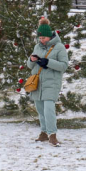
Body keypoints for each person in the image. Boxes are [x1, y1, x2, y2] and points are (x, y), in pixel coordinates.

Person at [26, 17, 69, 147]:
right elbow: (29, 66)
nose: (41, 40)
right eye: (40, 38)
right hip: (37, 82)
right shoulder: (37, 47)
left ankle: (52, 135)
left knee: (49, 109)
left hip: (52, 82)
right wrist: (32, 60)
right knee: (40, 109)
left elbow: (63, 66)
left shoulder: (59, 47)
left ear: (49, 36)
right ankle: (43, 132)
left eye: (43, 38)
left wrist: (48, 62)